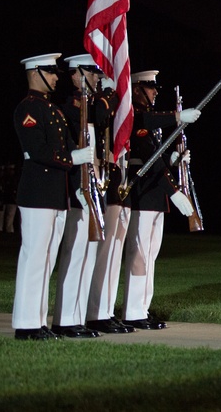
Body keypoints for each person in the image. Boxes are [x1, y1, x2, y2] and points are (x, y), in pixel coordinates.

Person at [11, 53, 94, 340]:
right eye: (51, 72)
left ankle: (37, 321)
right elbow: (38, 151)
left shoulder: (52, 110)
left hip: (55, 195)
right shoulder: (29, 109)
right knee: (34, 257)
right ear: (36, 73)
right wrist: (73, 157)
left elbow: (67, 145)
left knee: (46, 259)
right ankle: (25, 324)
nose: (57, 77)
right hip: (37, 194)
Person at [120, 70, 198, 330]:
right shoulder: (136, 117)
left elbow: (158, 159)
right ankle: (133, 311)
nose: (155, 92)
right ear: (137, 89)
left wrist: (175, 161)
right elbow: (149, 162)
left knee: (150, 255)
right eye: (150, 87)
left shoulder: (149, 122)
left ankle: (142, 307)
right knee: (139, 254)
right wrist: (173, 191)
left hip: (155, 196)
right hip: (143, 194)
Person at [50, 54, 106, 338]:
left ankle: (78, 316)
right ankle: (65, 319)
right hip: (78, 189)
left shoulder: (91, 106)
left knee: (88, 254)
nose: (98, 77)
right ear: (76, 74)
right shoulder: (71, 109)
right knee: (75, 254)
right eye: (92, 72)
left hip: (94, 188)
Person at [86, 74, 135, 334]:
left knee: (113, 254)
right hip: (102, 180)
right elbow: (98, 123)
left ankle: (104, 310)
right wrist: (106, 99)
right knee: (102, 253)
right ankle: (95, 312)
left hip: (115, 181)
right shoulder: (97, 103)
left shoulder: (110, 103)